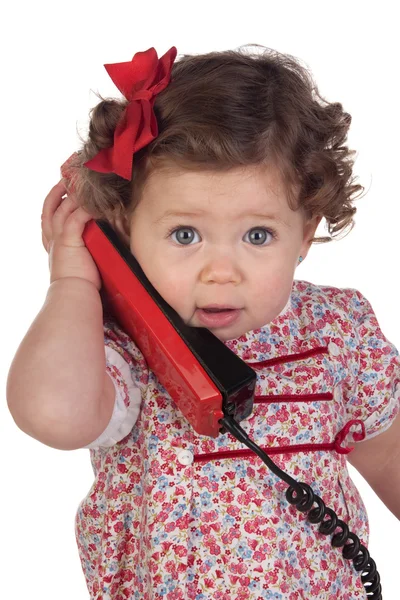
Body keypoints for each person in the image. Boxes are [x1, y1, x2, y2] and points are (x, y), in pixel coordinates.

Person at [6, 44, 400, 600]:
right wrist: (73, 281)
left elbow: (385, 451)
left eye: (257, 236)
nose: (221, 272)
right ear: (123, 226)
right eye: (184, 235)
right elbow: (53, 414)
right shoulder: (120, 350)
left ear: (305, 232)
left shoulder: (339, 329)